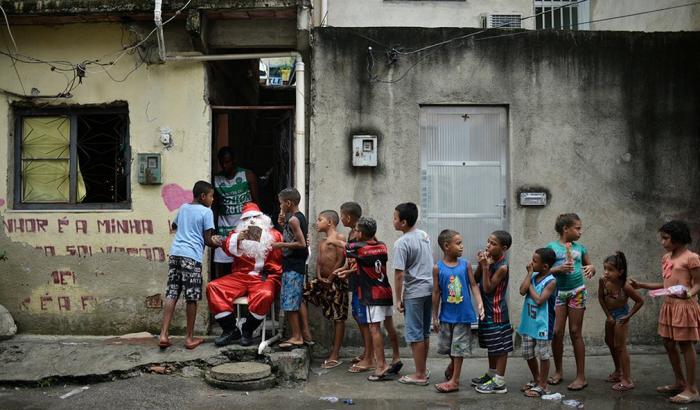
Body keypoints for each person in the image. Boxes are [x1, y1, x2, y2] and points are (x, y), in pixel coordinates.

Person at [631, 220, 700, 404]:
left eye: (666, 238)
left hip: (684, 307)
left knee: (686, 345)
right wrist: (641, 285)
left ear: (678, 238)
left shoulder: (691, 258)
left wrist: (688, 294)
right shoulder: (666, 258)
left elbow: (697, 284)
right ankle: (679, 381)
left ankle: (692, 389)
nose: (662, 242)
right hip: (669, 305)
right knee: (668, 343)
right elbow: (666, 285)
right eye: (662, 238)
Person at [337, 202, 402, 375]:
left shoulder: (359, 248)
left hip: (372, 294)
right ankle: (396, 357)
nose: (355, 233)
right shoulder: (382, 246)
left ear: (362, 233)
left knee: (374, 329)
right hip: (386, 291)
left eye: (357, 231)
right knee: (389, 326)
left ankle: (380, 365)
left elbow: (343, 247)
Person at [206, 202, 283, 347]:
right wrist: (237, 238)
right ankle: (230, 330)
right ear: (242, 222)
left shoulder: (274, 235)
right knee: (214, 287)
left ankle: (248, 329)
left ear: (263, 219)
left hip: (264, 277)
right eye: (248, 219)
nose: (252, 221)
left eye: (255, 217)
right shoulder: (236, 236)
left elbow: (285, 253)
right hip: (241, 276)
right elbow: (227, 246)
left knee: (265, 294)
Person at [159, 181, 221, 350]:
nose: (212, 199)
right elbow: (208, 240)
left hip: (176, 253)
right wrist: (218, 242)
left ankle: (164, 334)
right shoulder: (206, 212)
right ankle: (189, 338)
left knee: (172, 293)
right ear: (203, 196)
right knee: (191, 297)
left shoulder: (184, 207)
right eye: (211, 196)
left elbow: (174, 226)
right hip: (191, 257)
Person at [546, 213, 596, 390]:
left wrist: (591, 268)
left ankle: (581, 376)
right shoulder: (551, 248)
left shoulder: (580, 249)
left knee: (575, 331)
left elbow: (590, 266)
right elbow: (543, 271)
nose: (580, 232)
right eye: (577, 228)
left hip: (577, 292)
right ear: (565, 228)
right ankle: (558, 371)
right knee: (557, 332)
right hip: (559, 293)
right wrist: (558, 268)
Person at [432, 229, 483, 393]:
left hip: (463, 315)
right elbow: (436, 292)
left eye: (461, 243)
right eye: (458, 243)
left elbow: (473, 285)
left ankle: (455, 381)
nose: (462, 246)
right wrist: (435, 316)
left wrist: (479, 303)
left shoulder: (465, 265)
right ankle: (453, 365)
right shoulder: (437, 268)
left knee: (458, 348)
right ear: (447, 246)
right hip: (446, 316)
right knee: (448, 347)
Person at [393, 202, 434, 386]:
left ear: (403, 222)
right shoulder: (424, 235)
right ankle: (423, 369)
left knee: (415, 334)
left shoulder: (401, 243)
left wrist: (398, 299)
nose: (392, 221)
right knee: (424, 332)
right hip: (429, 289)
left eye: (395, 218)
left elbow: (399, 273)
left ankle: (419, 374)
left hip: (415, 292)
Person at [303, 210, 348, 369]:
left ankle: (335, 355)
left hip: (336, 282)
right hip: (322, 281)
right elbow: (319, 261)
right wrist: (319, 276)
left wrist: (331, 278)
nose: (317, 222)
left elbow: (340, 260)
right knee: (302, 295)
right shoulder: (321, 241)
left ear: (330, 222)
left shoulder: (339, 238)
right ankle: (306, 332)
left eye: (320, 219)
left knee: (338, 317)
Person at [473, 230, 513, 394]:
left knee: (500, 347)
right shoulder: (489, 262)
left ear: (503, 248)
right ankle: (491, 374)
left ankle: (499, 381)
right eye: (488, 242)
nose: (488, 245)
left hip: (497, 312)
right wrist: (482, 265)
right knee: (491, 345)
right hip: (487, 312)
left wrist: (485, 266)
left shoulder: (502, 267)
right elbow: (475, 280)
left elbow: (488, 289)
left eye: (493, 244)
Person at [598, 251, 644, 392]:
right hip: (611, 316)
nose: (606, 272)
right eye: (605, 268)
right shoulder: (603, 281)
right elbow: (601, 298)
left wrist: (628, 316)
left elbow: (639, 301)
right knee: (610, 342)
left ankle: (627, 379)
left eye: (610, 270)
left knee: (620, 346)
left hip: (621, 316)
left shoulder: (625, 286)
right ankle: (618, 372)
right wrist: (609, 316)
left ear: (620, 271)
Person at [213, 147, 259, 279]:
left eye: (227, 162)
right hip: (224, 229)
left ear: (234, 161)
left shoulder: (247, 175)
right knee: (223, 267)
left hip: (245, 228)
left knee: (246, 263)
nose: (225, 165)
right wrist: (213, 230)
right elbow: (215, 206)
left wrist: (256, 230)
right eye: (222, 162)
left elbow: (256, 204)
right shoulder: (217, 179)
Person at [517, 248, 557, 398]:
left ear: (545, 266)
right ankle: (537, 379)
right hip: (529, 323)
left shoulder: (551, 281)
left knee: (543, 354)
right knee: (527, 353)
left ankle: (543, 385)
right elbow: (522, 290)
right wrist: (529, 275)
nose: (531, 263)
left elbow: (540, 300)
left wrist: (530, 286)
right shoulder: (532, 276)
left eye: (534, 261)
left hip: (543, 325)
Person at [275, 188, 310, 349]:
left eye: (281, 203)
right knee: (294, 300)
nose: (280, 206)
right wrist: (282, 225)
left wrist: (279, 245)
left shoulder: (294, 220)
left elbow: (301, 243)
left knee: (289, 302)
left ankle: (297, 336)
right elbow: (294, 237)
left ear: (288, 203)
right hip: (295, 264)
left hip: (294, 265)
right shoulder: (297, 218)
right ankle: (302, 334)